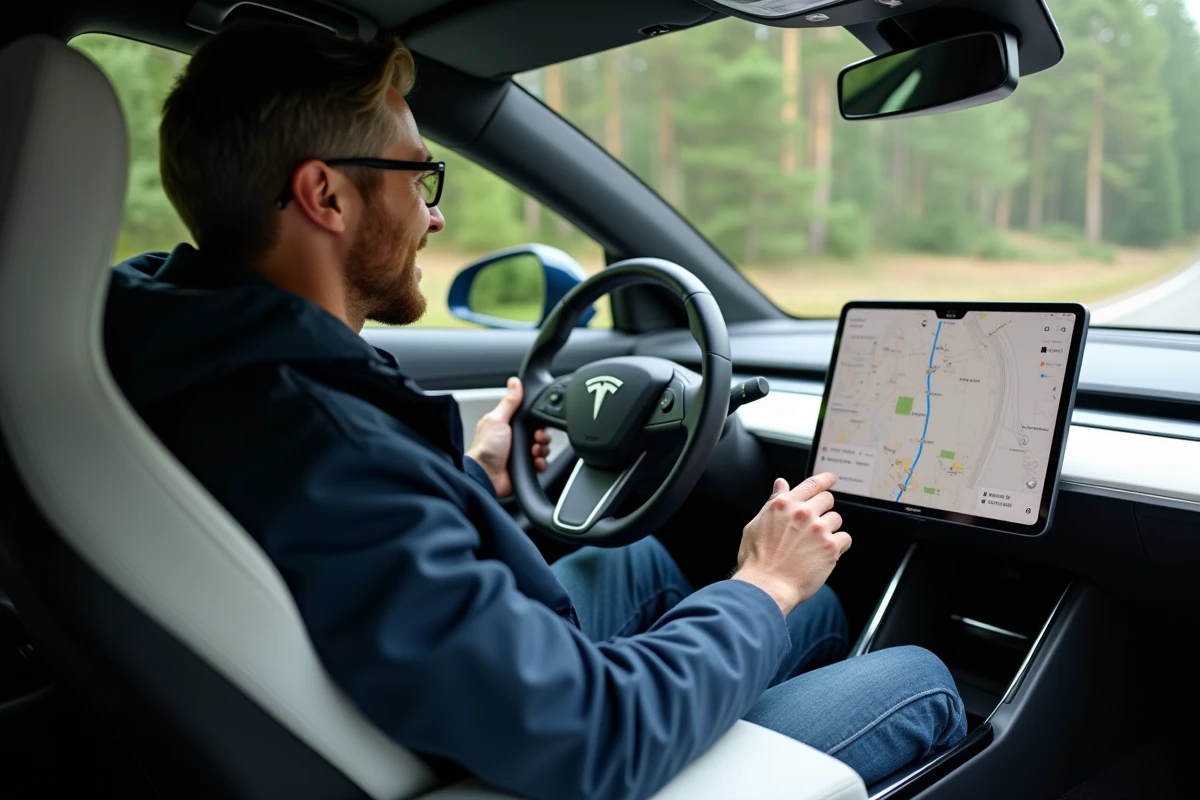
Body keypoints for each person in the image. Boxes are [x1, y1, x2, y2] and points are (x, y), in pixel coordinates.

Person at [103, 22, 966, 800]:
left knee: (669, 570)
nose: (434, 214)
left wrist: (471, 487)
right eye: (418, 175)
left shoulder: (179, 348)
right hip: (537, 758)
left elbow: (377, 557)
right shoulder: (319, 446)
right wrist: (763, 582)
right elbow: (596, 737)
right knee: (918, 675)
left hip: (422, 703)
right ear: (325, 196)